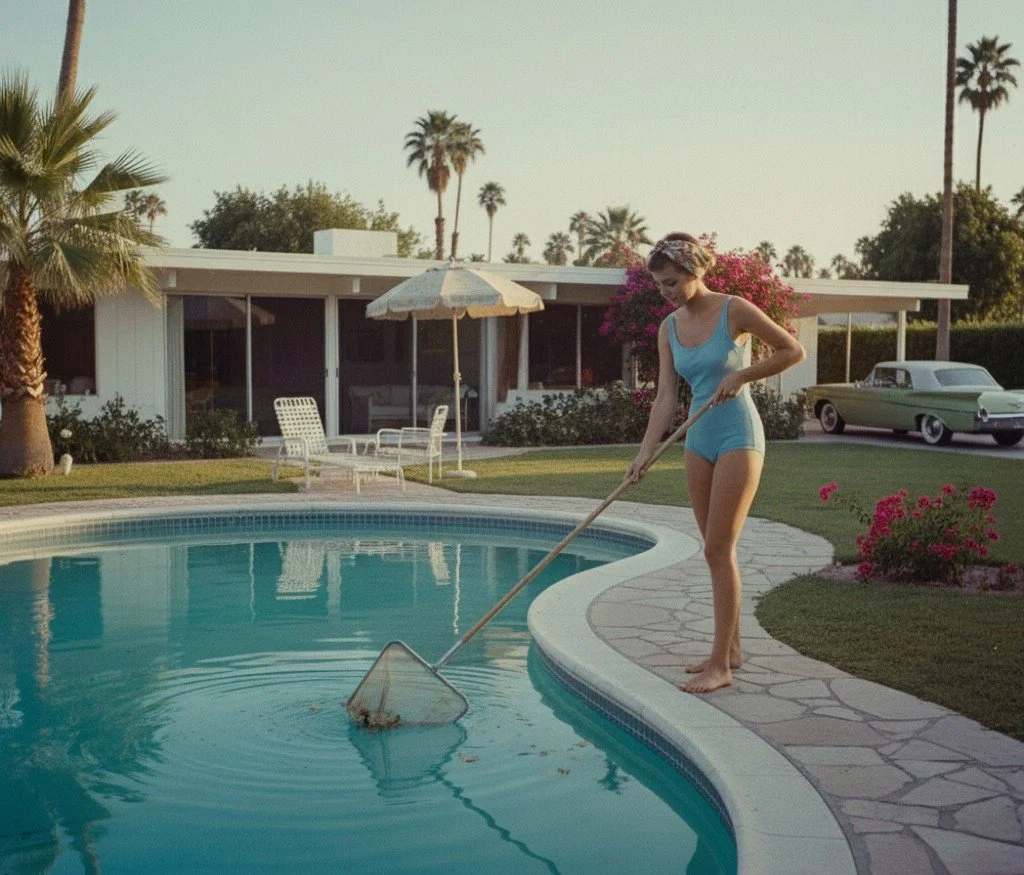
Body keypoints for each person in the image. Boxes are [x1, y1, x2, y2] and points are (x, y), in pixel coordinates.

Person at [626, 233, 805, 694]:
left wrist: (742, 374)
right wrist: (645, 452)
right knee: (713, 547)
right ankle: (734, 649)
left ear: (694, 271)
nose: (665, 291)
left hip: (737, 434)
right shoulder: (669, 328)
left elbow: (792, 350)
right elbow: (666, 397)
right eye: (659, 285)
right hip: (697, 438)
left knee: (717, 549)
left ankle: (719, 665)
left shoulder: (734, 309)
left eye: (671, 282)